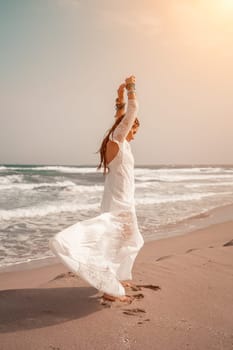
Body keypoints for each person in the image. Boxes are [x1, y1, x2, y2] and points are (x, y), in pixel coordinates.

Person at [49, 75, 144, 303]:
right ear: (125, 129)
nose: (133, 133)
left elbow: (121, 117)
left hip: (124, 199)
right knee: (114, 242)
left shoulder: (122, 142)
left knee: (128, 240)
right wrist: (131, 87)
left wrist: (118, 97)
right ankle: (109, 290)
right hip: (119, 201)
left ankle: (117, 277)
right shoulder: (116, 142)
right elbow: (132, 111)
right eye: (133, 130)